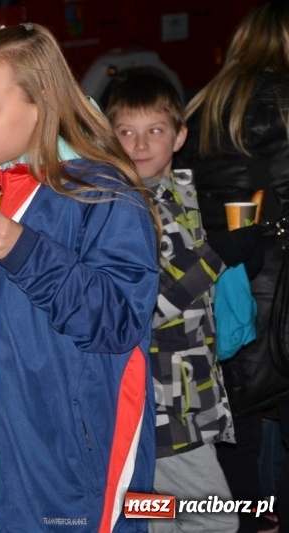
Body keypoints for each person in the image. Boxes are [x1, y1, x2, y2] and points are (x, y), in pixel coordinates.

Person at [0, 23, 160, 532]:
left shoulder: (103, 195)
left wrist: (25, 250)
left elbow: (119, 322)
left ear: (40, 104)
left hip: (70, 462)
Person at [174, 2, 289, 532]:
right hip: (282, 293)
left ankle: (252, 522)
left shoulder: (206, 103)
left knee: (237, 422)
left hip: (226, 290)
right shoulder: (286, 105)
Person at [105, 73, 237, 533]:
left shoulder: (185, 194)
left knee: (159, 511)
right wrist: (220, 253)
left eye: (155, 131)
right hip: (163, 402)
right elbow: (148, 305)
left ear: (179, 136)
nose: (140, 144)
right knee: (217, 519)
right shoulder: (122, 208)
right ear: (109, 136)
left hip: (191, 392)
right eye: (126, 132)